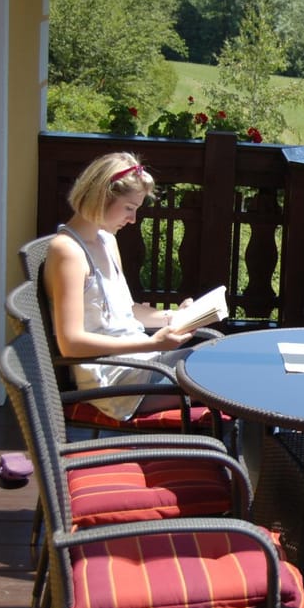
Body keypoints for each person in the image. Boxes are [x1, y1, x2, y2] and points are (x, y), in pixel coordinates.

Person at [43, 152, 196, 421]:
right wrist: (151, 345)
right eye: (128, 208)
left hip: (141, 364)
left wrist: (174, 317)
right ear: (101, 197)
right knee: (222, 377)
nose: (133, 219)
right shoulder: (68, 252)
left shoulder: (105, 241)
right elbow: (71, 344)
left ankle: (238, 457)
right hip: (116, 380)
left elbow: (126, 310)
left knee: (220, 355)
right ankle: (247, 458)